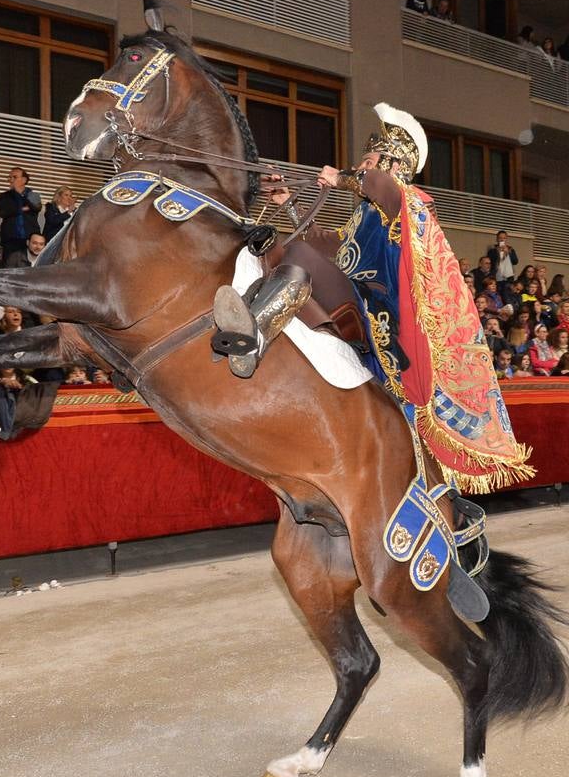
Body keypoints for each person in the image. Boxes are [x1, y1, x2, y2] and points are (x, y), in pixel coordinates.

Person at [215, 102, 532, 492]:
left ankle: (256, 331)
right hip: (363, 314)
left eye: (369, 160)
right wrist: (288, 201)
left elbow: (381, 187)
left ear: (394, 164)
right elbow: (325, 244)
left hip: (387, 321)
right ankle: (258, 327)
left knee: (296, 257)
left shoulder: (407, 202)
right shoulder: (362, 217)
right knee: (283, 249)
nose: (362, 166)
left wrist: (347, 177)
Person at [0, 167, 42, 268]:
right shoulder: (5, 196)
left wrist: (18, 208)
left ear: (24, 180)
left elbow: (37, 206)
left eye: (14, 177)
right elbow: (2, 212)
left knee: (31, 267)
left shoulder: (33, 194)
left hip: (30, 240)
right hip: (10, 240)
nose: (11, 180)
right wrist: (23, 208)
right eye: (10, 177)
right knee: (9, 268)